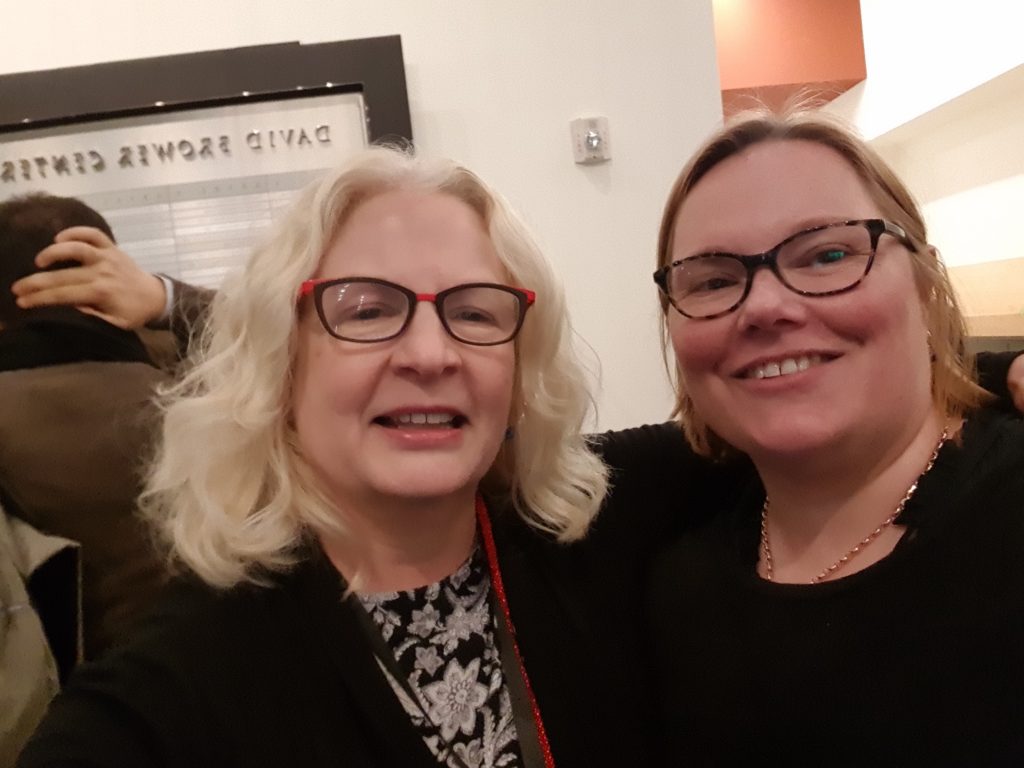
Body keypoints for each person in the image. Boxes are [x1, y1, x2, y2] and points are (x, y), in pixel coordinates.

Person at [18, 146, 677, 768]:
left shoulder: (604, 535)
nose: (430, 354)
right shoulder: (174, 686)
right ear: (281, 367)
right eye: (366, 311)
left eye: (474, 314)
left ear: (519, 372)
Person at [646, 108, 1024, 763]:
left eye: (827, 254)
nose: (764, 307)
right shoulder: (670, 586)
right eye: (712, 280)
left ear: (925, 281)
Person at [0, 194, 171, 661]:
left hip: (69, 711)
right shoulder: (204, 388)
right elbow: (284, 333)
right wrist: (162, 297)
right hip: (229, 690)